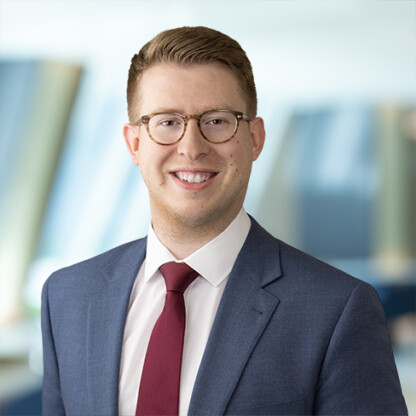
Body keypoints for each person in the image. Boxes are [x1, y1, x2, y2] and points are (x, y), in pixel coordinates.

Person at [41, 26, 408, 415]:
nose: (192, 147)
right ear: (134, 143)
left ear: (255, 138)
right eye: (167, 122)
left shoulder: (337, 310)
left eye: (217, 121)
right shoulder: (67, 298)